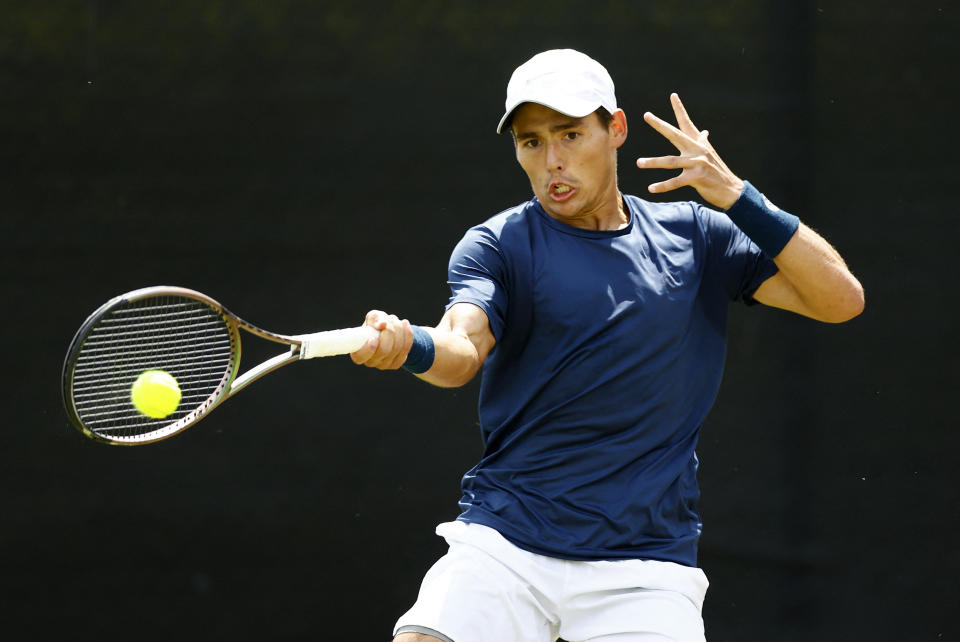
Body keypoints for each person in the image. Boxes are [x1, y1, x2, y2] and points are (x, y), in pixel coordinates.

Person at [351, 49, 864, 642]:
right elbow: (461, 350)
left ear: (614, 129)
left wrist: (735, 196)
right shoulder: (497, 245)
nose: (553, 161)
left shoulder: (698, 237)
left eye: (570, 134)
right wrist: (411, 345)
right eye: (531, 142)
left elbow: (840, 300)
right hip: (507, 543)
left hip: (645, 568)